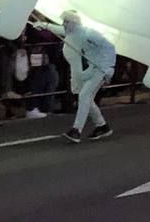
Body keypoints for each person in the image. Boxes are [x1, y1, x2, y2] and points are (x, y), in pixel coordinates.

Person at [44, 11, 115, 143]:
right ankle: (102, 125)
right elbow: (61, 30)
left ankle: (76, 130)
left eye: (66, 21)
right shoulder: (76, 33)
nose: (63, 24)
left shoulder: (90, 34)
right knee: (86, 97)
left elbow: (109, 47)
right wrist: (45, 25)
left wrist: (109, 68)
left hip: (100, 69)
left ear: (74, 23)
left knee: (84, 96)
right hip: (94, 68)